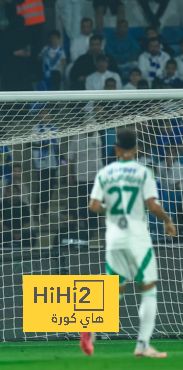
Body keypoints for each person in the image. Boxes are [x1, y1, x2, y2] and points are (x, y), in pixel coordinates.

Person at [81, 128, 176, 358]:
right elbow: (152, 206)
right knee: (148, 288)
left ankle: (92, 327)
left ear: (115, 148)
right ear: (135, 149)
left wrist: (110, 209)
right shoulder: (143, 172)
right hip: (137, 238)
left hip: (114, 238)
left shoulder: (105, 172)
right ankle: (143, 345)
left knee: (115, 290)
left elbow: (93, 206)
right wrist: (168, 221)